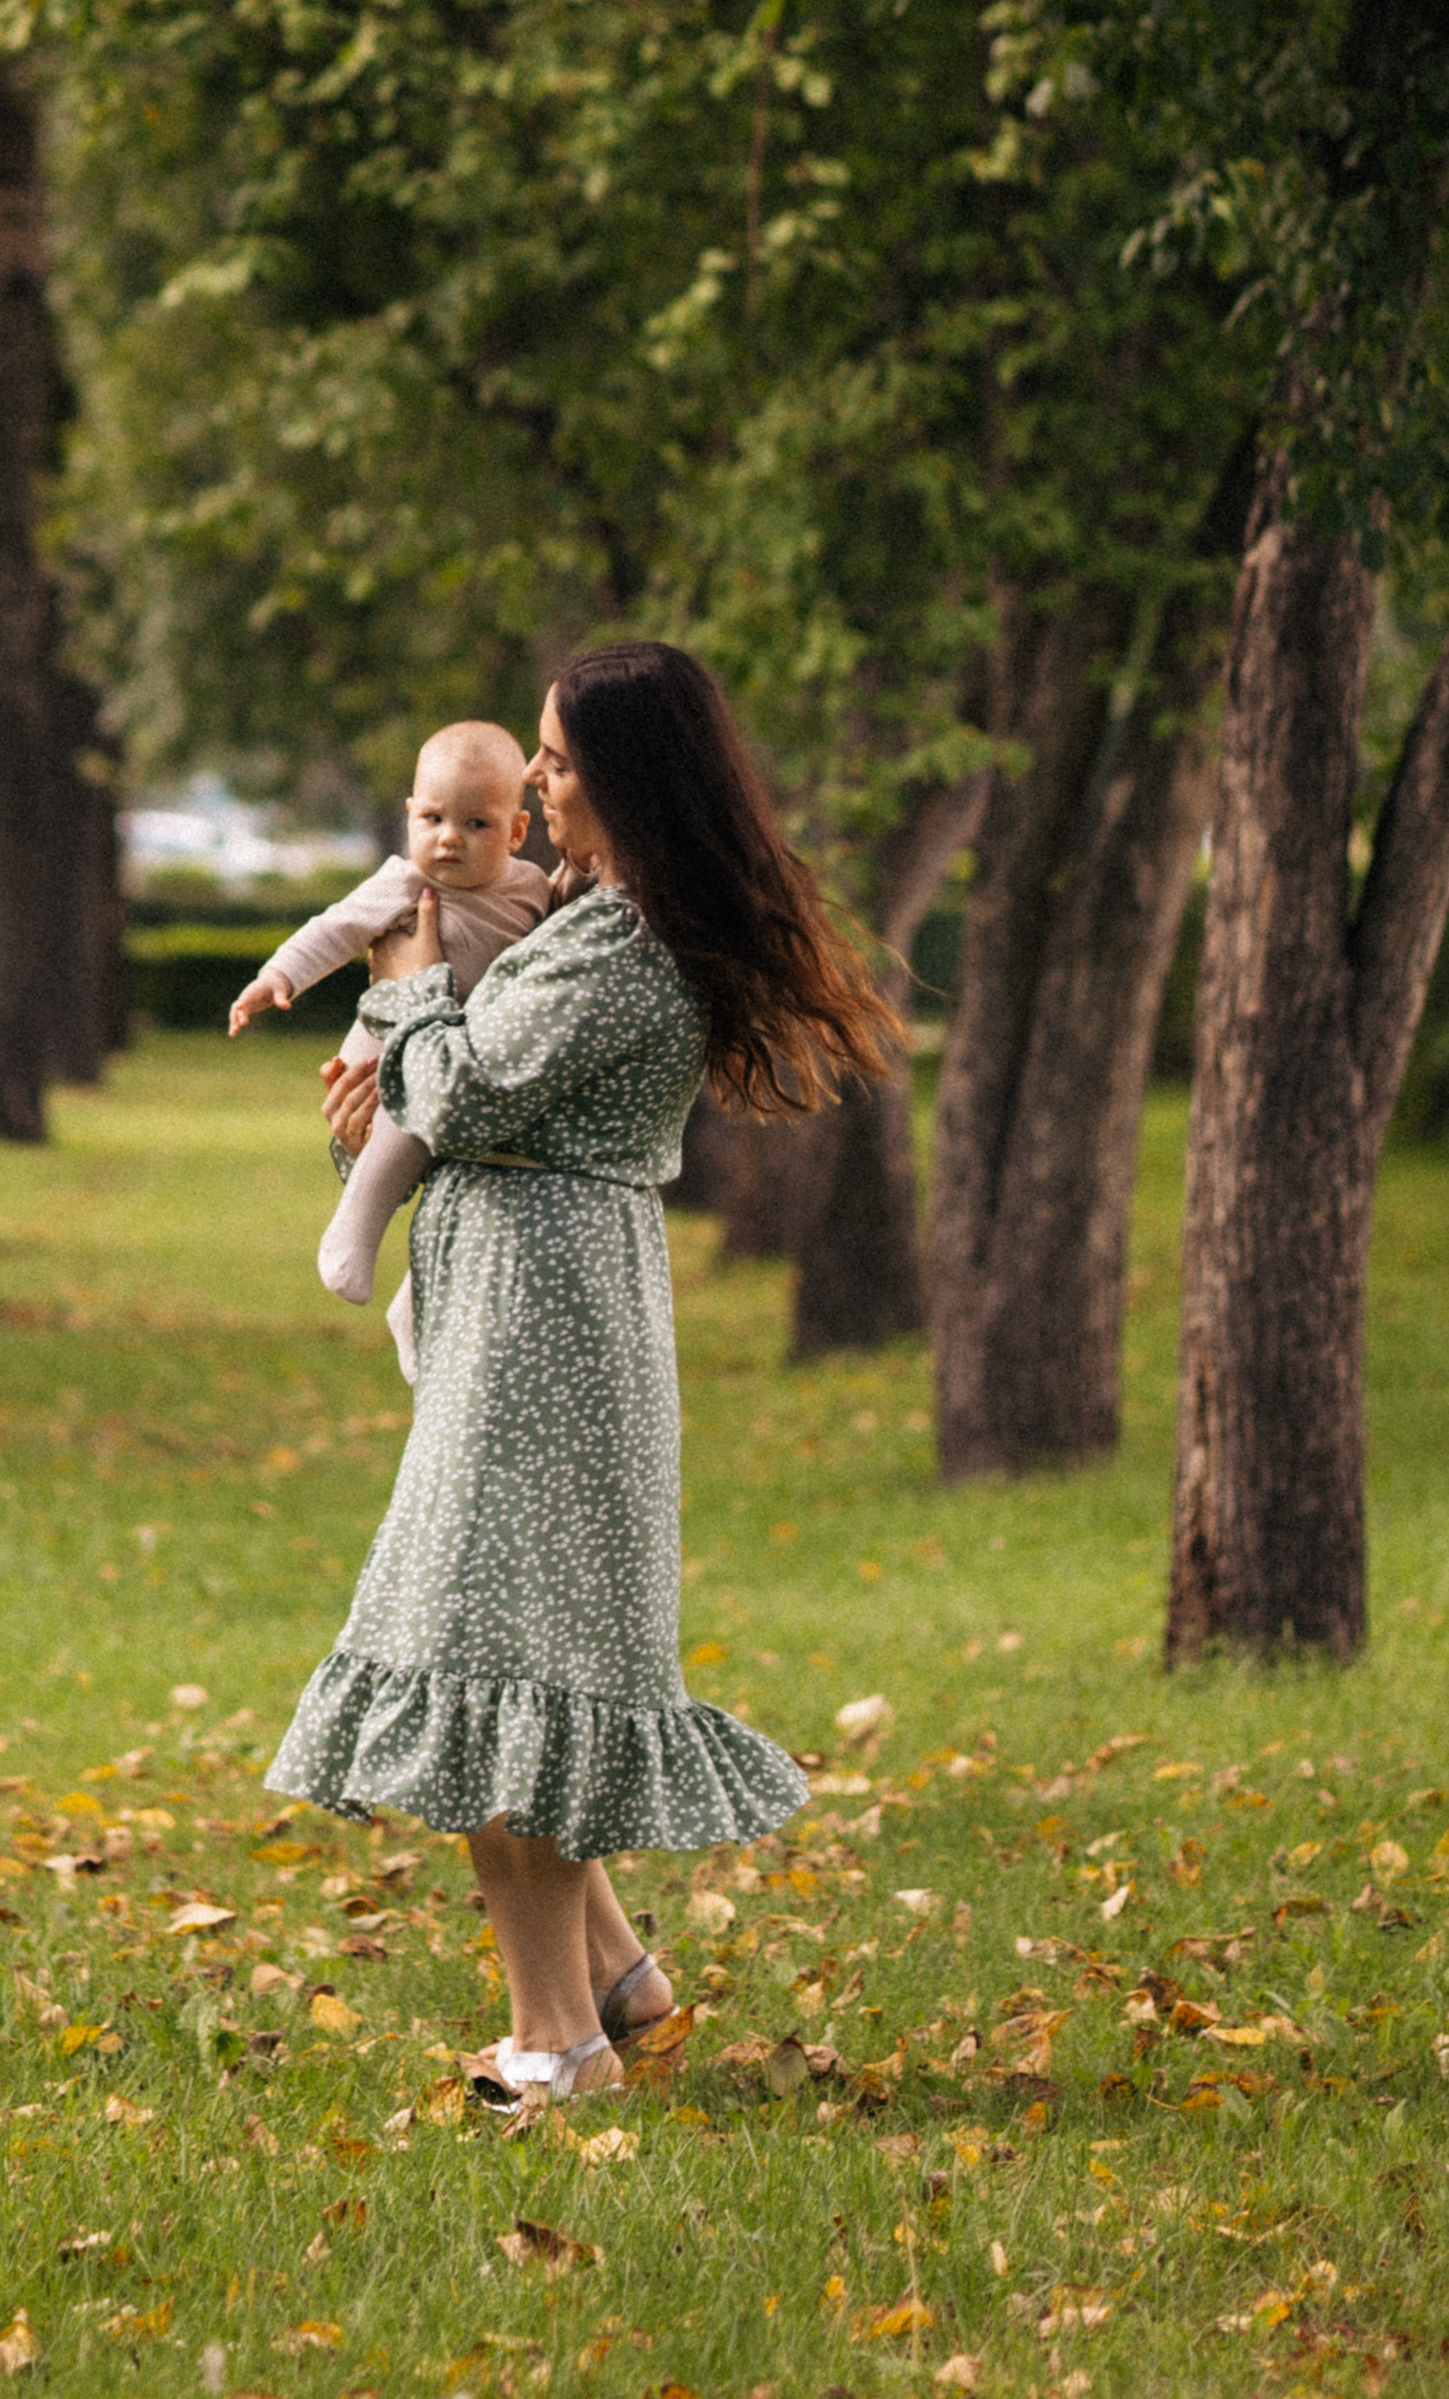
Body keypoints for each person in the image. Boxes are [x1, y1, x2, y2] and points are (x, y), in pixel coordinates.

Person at [263, 641, 902, 2104]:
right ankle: (618, 1981)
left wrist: (411, 984)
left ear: (623, 774)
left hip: (550, 1329)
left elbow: (473, 1084)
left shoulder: (633, 946)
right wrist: (398, 1067)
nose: (533, 783)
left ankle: (557, 2047)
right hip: (518, 1315)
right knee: (509, 1652)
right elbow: (444, 1090)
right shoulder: (589, 916)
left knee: (493, 1666)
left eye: (553, 759)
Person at [228, 721, 553, 1367]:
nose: (448, 838)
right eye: (431, 818)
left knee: (453, 1172)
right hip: (384, 1048)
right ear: (409, 817)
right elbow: (336, 928)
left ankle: (411, 1306)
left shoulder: (533, 891)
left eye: (476, 824)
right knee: (404, 1130)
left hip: (457, 1059)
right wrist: (276, 976)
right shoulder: (405, 885)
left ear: (517, 831)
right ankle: (352, 1233)